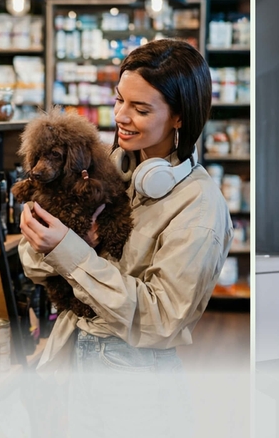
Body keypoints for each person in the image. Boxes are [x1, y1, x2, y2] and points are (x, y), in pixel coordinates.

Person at [20, 39, 231, 374]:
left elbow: (162, 320)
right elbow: (32, 265)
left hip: (131, 371)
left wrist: (69, 250)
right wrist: (54, 242)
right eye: (119, 99)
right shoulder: (100, 166)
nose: (121, 116)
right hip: (70, 352)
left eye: (141, 109)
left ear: (179, 116)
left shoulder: (199, 206)